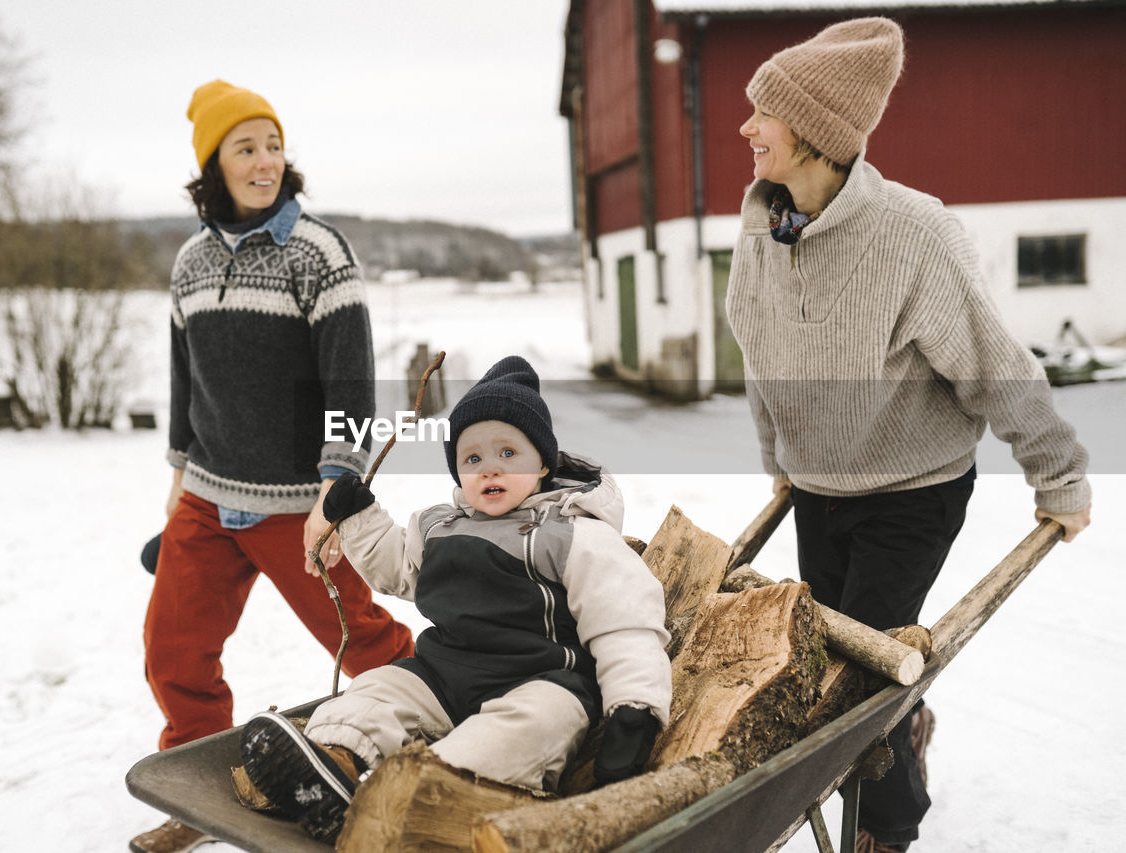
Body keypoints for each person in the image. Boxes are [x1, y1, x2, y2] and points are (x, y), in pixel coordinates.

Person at [727, 18, 1091, 852]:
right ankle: (909, 722)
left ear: (817, 135)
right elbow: (762, 360)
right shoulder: (759, 239)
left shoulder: (916, 237)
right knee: (829, 663)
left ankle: (889, 828)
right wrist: (780, 461)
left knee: (857, 685)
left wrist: (1058, 475)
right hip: (821, 488)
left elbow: (995, 361)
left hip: (913, 490)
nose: (746, 129)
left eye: (763, 115)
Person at [132, 79, 415, 853]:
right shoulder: (189, 263)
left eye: (272, 145)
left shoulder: (317, 253)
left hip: (297, 500)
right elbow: (184, 380)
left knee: (361, 637)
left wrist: (337, 483)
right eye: (244, 148)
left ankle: (441, 734)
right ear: (212, 166)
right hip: (207, 495)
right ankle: (192, 792)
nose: (264, 162)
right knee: (173, 646)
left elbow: (350, 379)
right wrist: (178, 473)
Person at [236, 356, 673, 843]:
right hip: (442, 676)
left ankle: (435, 787)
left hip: (540, 681)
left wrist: (634, 708)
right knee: (377, 690)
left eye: (509, 453)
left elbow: (625, 624)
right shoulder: (440, 526)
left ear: (545, 462)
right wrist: (360, 517)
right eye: (473, 458)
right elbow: (397, 570)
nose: (490, 468)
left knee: (531, 726)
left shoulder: (572, 534)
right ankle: (334, 763)